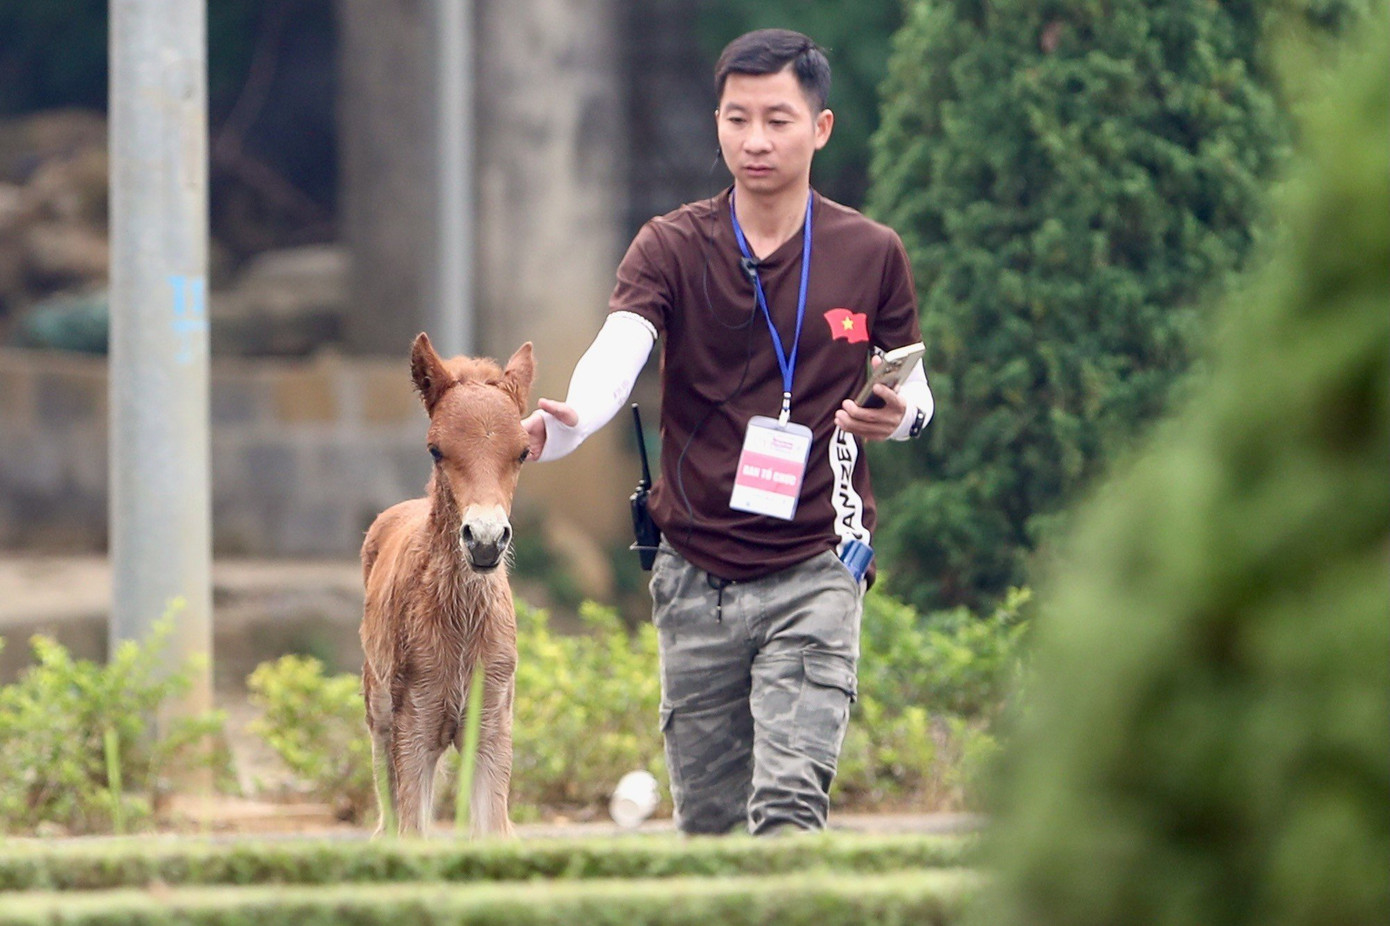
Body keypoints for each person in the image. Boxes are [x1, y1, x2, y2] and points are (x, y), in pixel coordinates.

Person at [520, 28, 933, 835]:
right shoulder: (672, 245)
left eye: (778, 120)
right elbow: (621, 349)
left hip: (817, 561)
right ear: (717, 122)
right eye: (737, 118)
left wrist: (903, 415)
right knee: (709, 825)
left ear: (820, 127)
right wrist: (571, 419)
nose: (755, 140)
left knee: (787, 810)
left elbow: (911, 385)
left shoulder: (870, 253)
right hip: (695, 570)